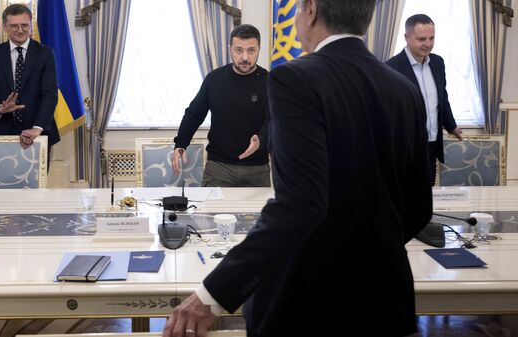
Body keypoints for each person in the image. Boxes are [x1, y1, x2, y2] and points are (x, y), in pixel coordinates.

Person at [163, 1, 432, 336]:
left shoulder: (294, 79)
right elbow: (420, 207)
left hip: (313, 300)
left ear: (310, 11)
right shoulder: (405, 89)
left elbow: (301, 205)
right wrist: (367, 243)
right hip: (385, 298)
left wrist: (212, 295)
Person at [172, 24, 270, 187]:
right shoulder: (214, 79)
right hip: (219, 167)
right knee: (211, 213)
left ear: (259, 49)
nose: (245, 57)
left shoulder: (269, 81)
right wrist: (181, 143)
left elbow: (273, 120)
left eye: (251, 50)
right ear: (230, 49)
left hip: (257, 168)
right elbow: (194, 114)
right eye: (239, 50)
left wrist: (261, 140)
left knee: (258, 214)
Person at [386, 14, 462, 186]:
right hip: (405, 148)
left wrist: (451, 125)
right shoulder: (391, 68)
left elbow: (442, 97)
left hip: (431, 146)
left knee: (426, 197)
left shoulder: (437, 62)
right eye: (422, 39)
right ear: (407, 37)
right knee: (404, 198)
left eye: (431, 38)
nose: (428, 44)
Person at [0, 4, 59, 150]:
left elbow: (50, 94)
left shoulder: (45, 54)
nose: (20, 30)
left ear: (31, 25)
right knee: (1, 173)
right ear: (5, 26)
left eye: (24, 25)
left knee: (36, 174)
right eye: (14, 26)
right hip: (1, 131)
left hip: (36, 132)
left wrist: (37, 128)